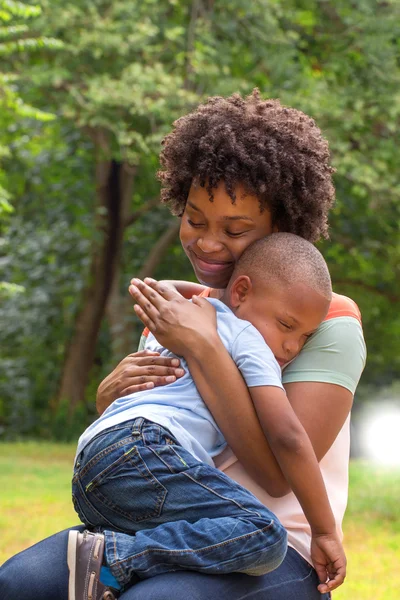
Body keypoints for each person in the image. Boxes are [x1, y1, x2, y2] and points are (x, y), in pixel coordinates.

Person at [0, 91, 366, 600]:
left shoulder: (327, 323)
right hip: (171, 527)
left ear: (281, 228)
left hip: (278, 548)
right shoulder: (181, 306)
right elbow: (160, 428)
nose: (208, 243)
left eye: (235, 230)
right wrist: (112, 399)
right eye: (194, 220)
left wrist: (204, 348)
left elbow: (278, 476)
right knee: (15, 584)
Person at [68, 233, 345, 600]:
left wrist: (214, 292)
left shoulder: (177, 317)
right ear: (241, 292)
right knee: (262, 533)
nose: (293, 346)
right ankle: (115, 561)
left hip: (91, 465)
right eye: (286, 324)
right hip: (146, 450)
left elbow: (163, 285)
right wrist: (325, 531)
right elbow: (288, 436)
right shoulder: (248, 339)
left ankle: (102, 555)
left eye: (306, 336)